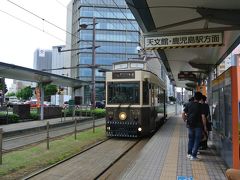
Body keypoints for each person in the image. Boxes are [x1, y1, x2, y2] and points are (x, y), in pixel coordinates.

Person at [182, 92, 207, 161]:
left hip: (190, 125)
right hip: (198, 126)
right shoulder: (201, 106)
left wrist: (185, 120)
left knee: (191, 139)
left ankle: (189, 154)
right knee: (197, 140)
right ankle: (193, 156)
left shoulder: (188, 104)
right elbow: (203, 117)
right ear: (200, 98)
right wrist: (204, 126)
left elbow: (183, 113)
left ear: (194, 97)